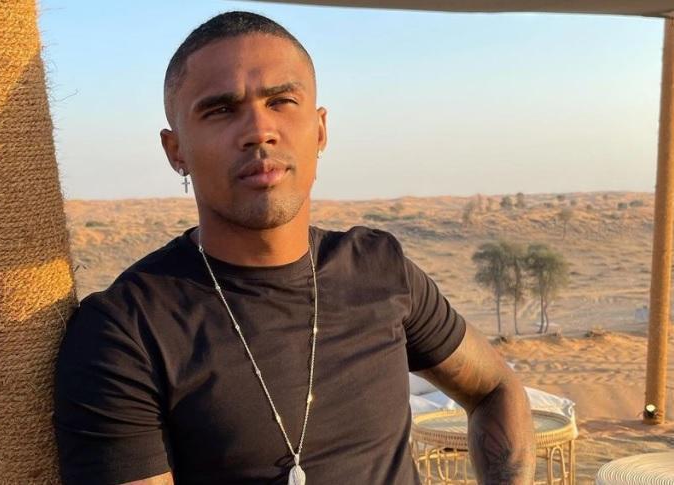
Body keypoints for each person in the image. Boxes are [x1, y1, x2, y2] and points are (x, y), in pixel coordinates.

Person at [54, 11, 535, 485]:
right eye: (221, 110)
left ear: (320, 130)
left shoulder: (379, 268)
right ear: (175, 150)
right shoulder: (126, 331)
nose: (259, 131)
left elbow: (495, 387)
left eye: (281, 101)